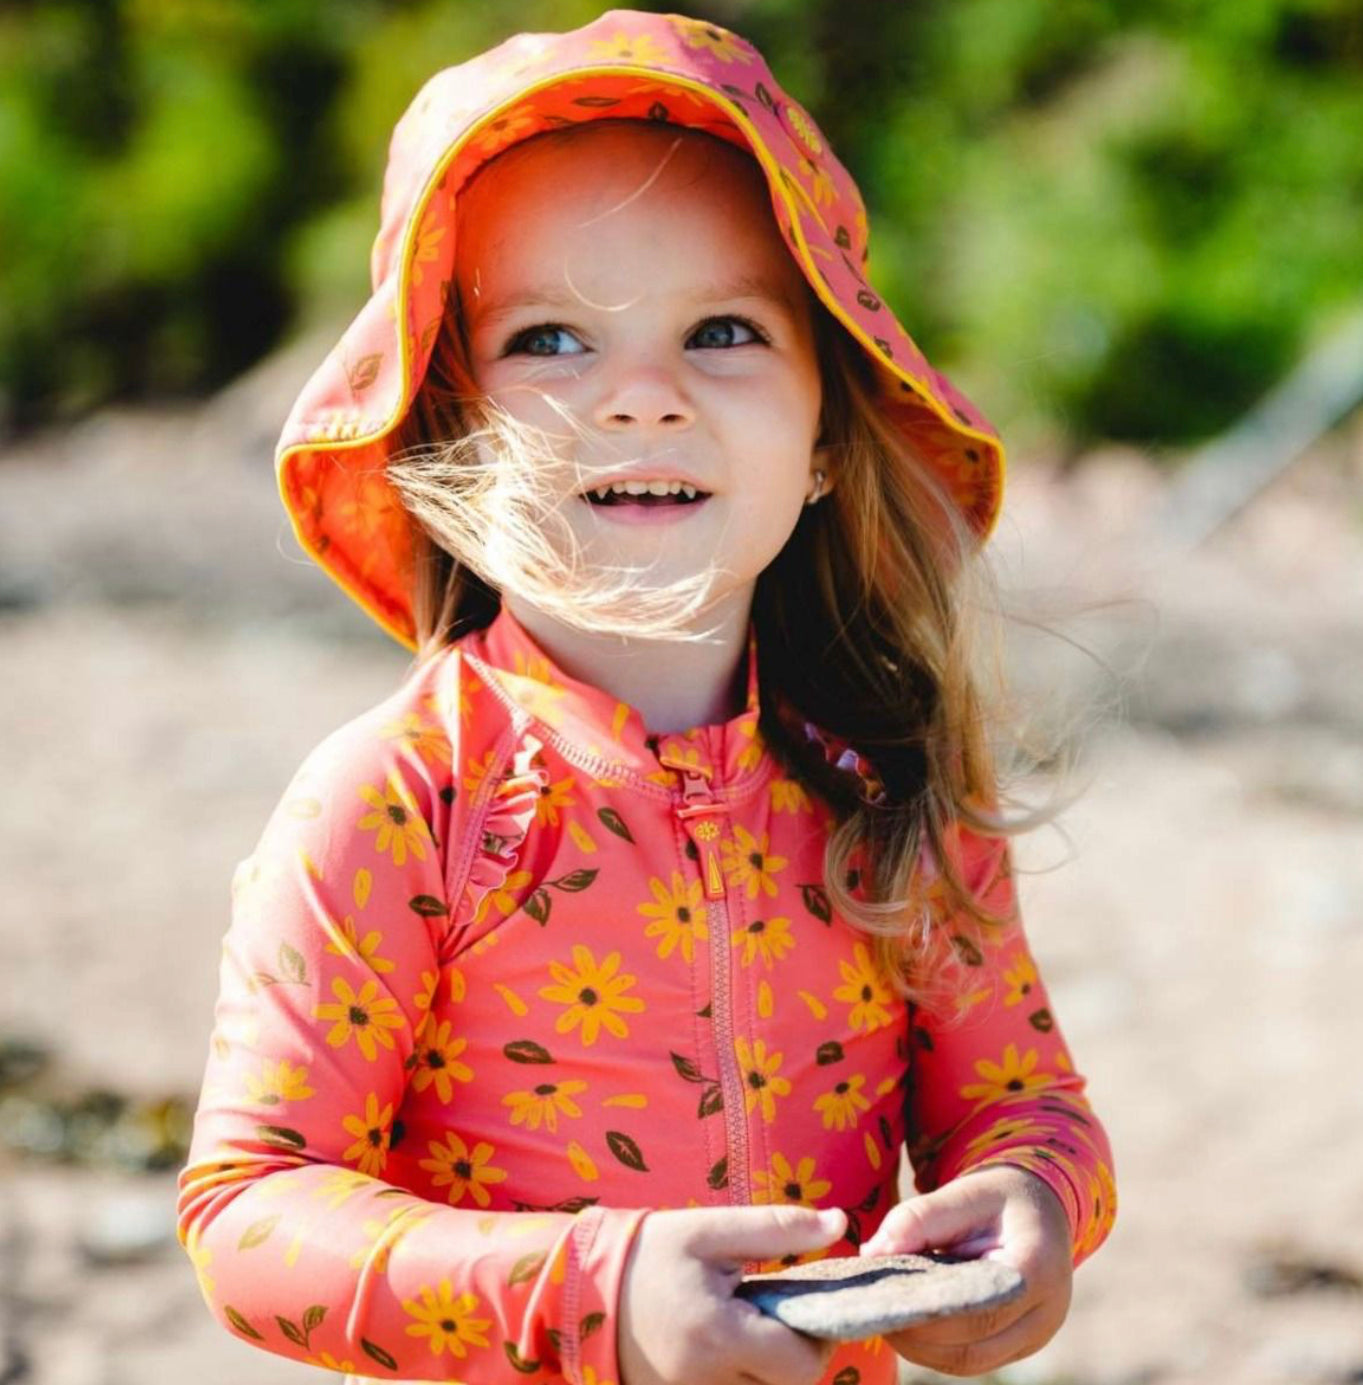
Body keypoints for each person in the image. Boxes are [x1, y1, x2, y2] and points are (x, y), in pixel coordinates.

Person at [177, 11, 1116, 1385]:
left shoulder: (891, 781)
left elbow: (1022, 1103)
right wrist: (597, 1296)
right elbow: (248, 1213)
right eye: (551, 339)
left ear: (824, 436)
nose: (641, 396)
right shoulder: (401, 799)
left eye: (723, 330)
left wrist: (1033, 1205)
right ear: (448, 428)